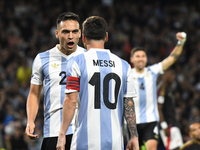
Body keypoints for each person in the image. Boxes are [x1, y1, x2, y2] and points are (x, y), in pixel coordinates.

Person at [56, 16, 139, 150]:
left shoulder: (76, 62)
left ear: (83, 38)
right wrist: (134, 136)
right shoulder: (124, 65)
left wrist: (62, 134)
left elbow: (71, 101)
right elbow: (128, 103)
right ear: (106, 37)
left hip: (85, 141)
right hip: (115, 143)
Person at [25, 12, 85, 150]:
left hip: (83, 131)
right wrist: (30, 121)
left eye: (74, 32)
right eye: (65, 32)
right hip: (54, 131)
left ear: (80, 33)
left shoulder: (87, 57)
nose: (70, 36)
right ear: (57, 34)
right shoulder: (42, 58)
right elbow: (34, 94)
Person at [129, 32, 187, 150]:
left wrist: (181, 42)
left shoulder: (152, 71)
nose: (141, 58)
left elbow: (172, 58)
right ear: (132, 59)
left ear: (146, 58)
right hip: (132, 122)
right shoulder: (126, 74)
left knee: (151, 147)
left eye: (143, 56)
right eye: (138, 56)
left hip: (150, 120)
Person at [157, 69, 183, 150]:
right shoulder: (162, 89)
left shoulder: (168, 89)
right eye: (171, 74)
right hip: (169, 126)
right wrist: (164, 126)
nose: (173, 76)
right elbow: (159, 108)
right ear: (164, 75)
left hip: (172, 124)